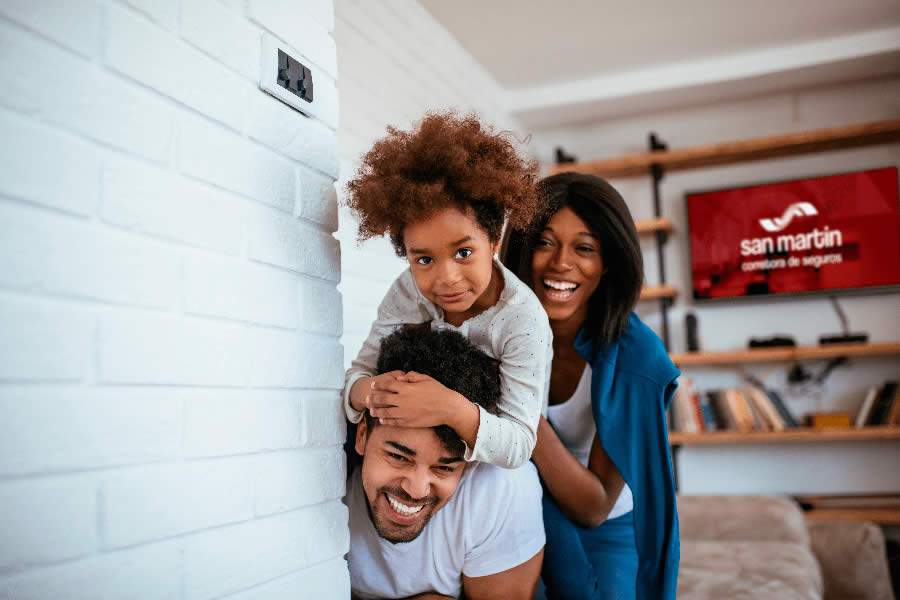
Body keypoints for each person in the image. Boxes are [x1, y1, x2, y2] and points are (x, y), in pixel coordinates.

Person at [503, 172, 681, 600]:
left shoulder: (639, 359)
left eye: (585, 248)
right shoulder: (496, 330)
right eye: (544, 242)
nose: (562, 263)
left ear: (608, 264)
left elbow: (595, 506)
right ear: (523, 252)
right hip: (520, 505)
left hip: (604, 527)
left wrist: (520, 416)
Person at [343, 111, 552, 469]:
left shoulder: (523, 320)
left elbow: (519, 443)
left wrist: (449, 407)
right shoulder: (408, 290)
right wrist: (376, 393)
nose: (446, 278)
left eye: (463, 253)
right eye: (423, 259)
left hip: (485, 463)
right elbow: (357, 377)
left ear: (494, 240)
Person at [347, 324, 545, 599]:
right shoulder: (322, 471)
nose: (416, 490)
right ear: (362, 435)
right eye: (398, 457)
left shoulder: (501, 485)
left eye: (444, 468)